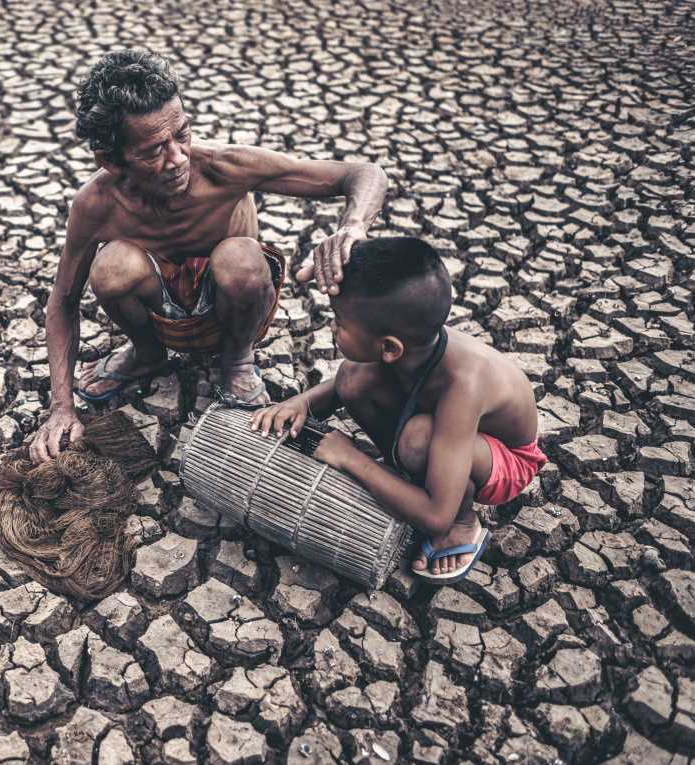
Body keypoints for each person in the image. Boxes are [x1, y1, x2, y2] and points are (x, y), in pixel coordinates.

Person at [30, 49, 388, 463]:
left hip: (234, 304)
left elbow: (363, 174)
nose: (178, 159)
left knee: (240, 256)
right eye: (153, 151)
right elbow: (63, 300)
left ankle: (236, 360)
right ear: (110, 161)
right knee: (110, 267)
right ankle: (147, 354)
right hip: (159, 308)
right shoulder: (96, 205)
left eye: (181, 134)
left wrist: (353, 226)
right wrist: (61, 407)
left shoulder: (224, 167)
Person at [250, 237, 547, 582]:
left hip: (506, 459)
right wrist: (301, 402)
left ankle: (463, 524)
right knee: (352, 378)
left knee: (418, 440)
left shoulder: (463, 385)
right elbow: (339, 388)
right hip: (445, 430)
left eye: (340, 322)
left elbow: (435, 516)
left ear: (390, 347)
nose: (332, 328)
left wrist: (349, 457)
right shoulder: (416, 342)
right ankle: (405, 479)